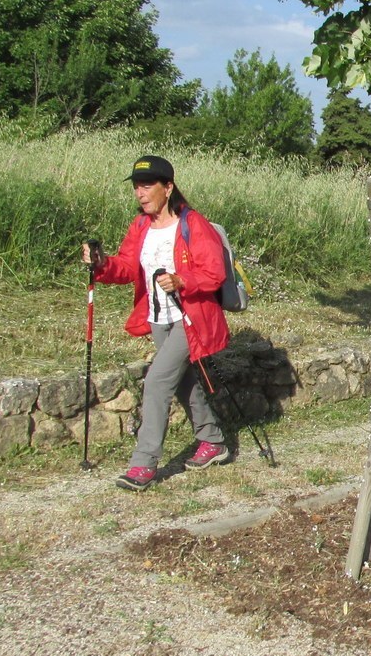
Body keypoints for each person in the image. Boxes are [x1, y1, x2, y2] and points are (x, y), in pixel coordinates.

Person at [82, 155, 230, 492]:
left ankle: (143, 464)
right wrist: (101, 263)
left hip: (190, 318)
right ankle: (214, 441)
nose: (140, 192)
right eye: (136, 185)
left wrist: (181, 280)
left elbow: (214, 273)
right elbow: (126, 268)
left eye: (148, 185)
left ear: (168, 187)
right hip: (159, 318)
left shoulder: (193, 224)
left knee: (157, 382)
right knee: (182, 383)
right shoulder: (140, 227)